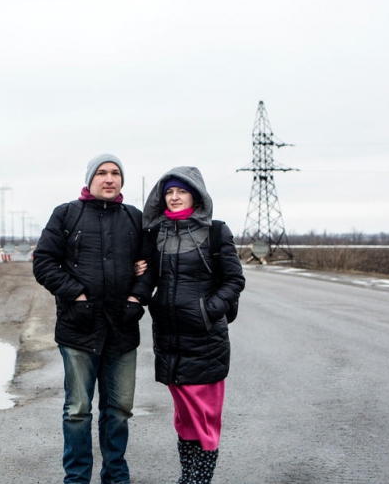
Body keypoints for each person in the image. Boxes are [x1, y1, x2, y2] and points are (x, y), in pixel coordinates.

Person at [33, 153, 153, 484]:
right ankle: (76, 478)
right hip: (79, 328)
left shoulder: (134, 218)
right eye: (102, 173)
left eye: (115, 173)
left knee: (118, 410)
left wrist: (136, 297)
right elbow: (43, 262)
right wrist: (77, 295)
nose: (109, 179)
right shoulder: (66, 214)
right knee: (77, 411)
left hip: (122, 328)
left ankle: (116, 476)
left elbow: (150, 265)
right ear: (90, 179)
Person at [140, 166, 245, 484]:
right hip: (170, 340)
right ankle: (188, 476)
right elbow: (149, 279)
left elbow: (234, 279)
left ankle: (200, 479)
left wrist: (207, 310)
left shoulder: (216, 232)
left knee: (205, 418)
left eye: (180, 191)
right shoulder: (157, 235)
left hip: (205, 341)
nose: (173, 197)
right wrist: (138, 287)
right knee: (184, 417)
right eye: (168, 192)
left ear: (195, 195)